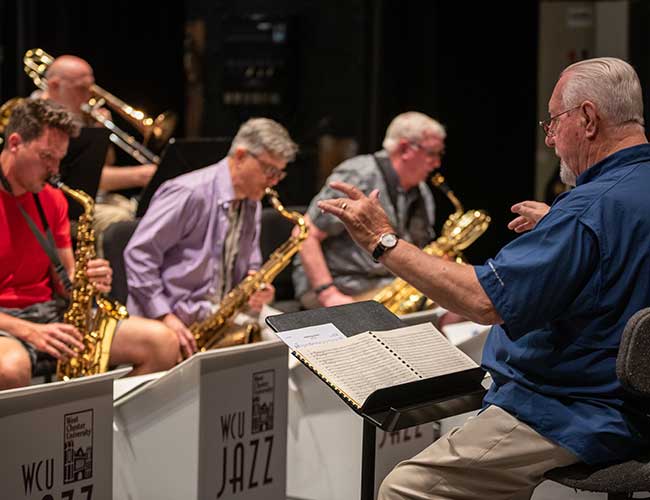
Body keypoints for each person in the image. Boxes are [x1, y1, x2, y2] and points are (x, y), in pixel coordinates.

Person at [318, 57, 650, 499]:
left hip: (573, 409)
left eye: (553, 122)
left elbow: (483, 301)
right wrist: (565, 232)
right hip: (632, 405)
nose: (549, 138)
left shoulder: (586, 213)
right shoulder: (624, 195)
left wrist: (384, 242)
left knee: (405, 488)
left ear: (588, 118)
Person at [0, 99, 179, 390]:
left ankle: (96, 426)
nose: (55, 169)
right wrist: (29, 331)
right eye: (47, 156)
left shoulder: (53, 198)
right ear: (16, 142)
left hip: (48, 313)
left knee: (161, 343)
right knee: (10, 369)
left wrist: (86, 279)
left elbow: (66, 278)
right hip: (6, 324)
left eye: (59, 159)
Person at [124, 118, 298, 358]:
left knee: (300, 345)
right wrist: (164, 316)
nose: (274, 181)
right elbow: (139, 254)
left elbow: (252, 266)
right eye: (270, 170)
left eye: (280, 173)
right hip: (175, 319)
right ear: (240, 156)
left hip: (220, 315)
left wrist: (258, 288)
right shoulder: (189, 193)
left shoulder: (252, 201)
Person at [292, 111, 443, 309]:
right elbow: (304, 234)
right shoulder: (359, 175)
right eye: (432, 153)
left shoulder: (422, 191)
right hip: (338, 285)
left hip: (386, 284)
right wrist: (328, 293)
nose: (437, 163)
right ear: (406, 148)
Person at [39, 54, 158, 231]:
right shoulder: (37, 118)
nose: (89, 95)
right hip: (58, 204)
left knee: (150, 209)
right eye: (82, 89)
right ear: (54, 85)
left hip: (96, 198)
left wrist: (101, 133)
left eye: (91, 88)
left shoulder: (80, 115)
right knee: (121, 220)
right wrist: (141, 175)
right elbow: (83, 177)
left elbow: (107, 162)